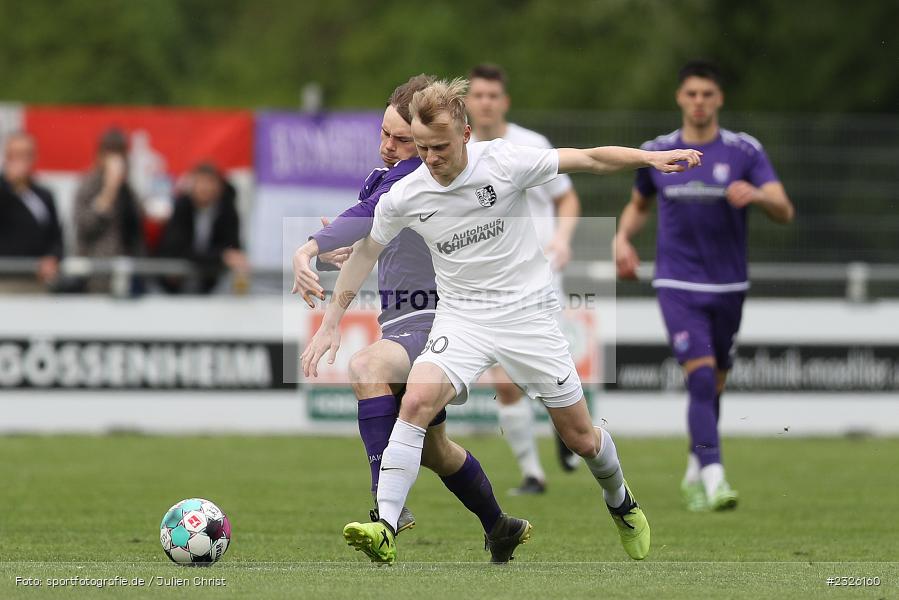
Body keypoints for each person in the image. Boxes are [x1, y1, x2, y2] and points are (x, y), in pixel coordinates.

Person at [302, 77, 702, 564]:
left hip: (526, 316)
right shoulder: (407, 192)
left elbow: (591, 158)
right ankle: (385, 524)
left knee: (580, 438)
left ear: (466, 134)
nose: (431, 159)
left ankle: (621, 501)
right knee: (418, 401)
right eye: (423, 148)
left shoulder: (504, 162)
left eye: (441, 147)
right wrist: (330, 322)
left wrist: (650, 159)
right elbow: (365, 253)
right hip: (462, 318)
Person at [292, 74, 531, 564]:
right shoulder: (386, 177)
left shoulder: (420, 174)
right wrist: (351, 255)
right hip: (402, 321)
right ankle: (500, 525)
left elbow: (369, 211)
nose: (389, 146)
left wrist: (313, 246)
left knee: (366, 368)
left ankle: (387, 512)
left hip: (437, 320)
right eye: (385, 133)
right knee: (434, 450)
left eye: (402, 139)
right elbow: (382, 231)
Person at [613, 60, 794, 512]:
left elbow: (784, 209)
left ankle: (695, 470)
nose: (698, 102)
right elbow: (639, 204)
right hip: (676, 282)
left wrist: (757, 195)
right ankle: (715, 477)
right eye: (691, 94)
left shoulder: (743, 151)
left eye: (707, 95)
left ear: (719, 99)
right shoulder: (657, 151)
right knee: (698, 376)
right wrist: (621, 238)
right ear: (680, 97)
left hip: (729, 285)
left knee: (713, 382)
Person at [466, 63, 582, 494]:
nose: (485, 103)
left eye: (492, 95)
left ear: (504, 101)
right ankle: (533, 474)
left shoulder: (531, 145)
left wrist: (565, 239)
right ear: (467, 102)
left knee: (548, 373)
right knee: (505, 380)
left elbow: (566, 197)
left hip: (540, 274)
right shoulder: (457, 152)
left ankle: (567, 424)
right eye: (477, 95)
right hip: (489, 282)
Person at [157, 162, 247, 294]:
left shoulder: (228, 212)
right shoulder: (182, 208)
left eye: (210, 182)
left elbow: (233, 251)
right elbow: (177, 249)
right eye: (200, 182)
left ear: (219, 187)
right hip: (175, 286)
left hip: (213, 285)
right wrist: (220, 257)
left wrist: (222, 257)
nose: (205, 188)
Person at [73, 128, 144, 294]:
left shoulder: (128, 188)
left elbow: (137, 226)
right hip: (97, 273)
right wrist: (109, 191)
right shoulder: (88, 185)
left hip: (128, 270)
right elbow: (85, 225)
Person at [0, 132, 63, 293]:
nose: (22, 161)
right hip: (5, 280)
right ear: (7, 158)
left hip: (36, 281)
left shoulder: (43, 195)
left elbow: (56, 236)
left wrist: (52, 257)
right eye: (17, 155)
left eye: (27, 155)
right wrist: (9, 185)